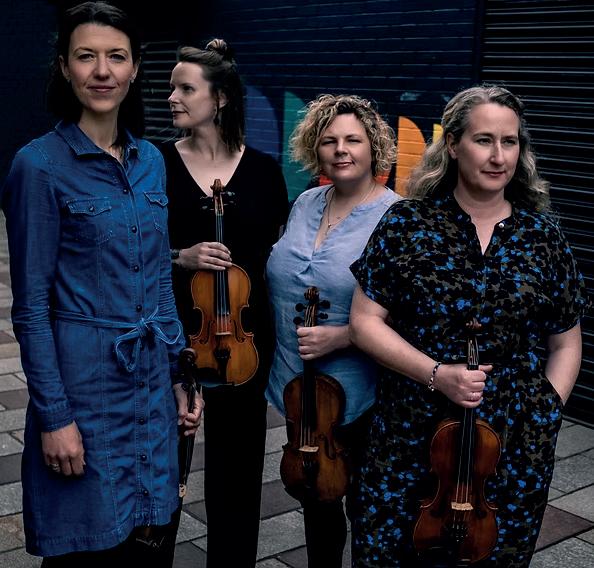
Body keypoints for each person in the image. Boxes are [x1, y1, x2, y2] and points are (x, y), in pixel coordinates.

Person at [348, 84, 588, 567]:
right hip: (409, 432)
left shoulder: (542, 236)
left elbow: (566, 342)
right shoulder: (407, 223)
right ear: (454, 145)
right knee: (390, 553)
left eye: (510, 142)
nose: (499, 156)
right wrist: (437, 374)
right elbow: (364, 322)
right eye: (484, 140)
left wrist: (545, 411)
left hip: (511, 446)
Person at [0, 2, 202, 565]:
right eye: (86, 56)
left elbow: (159, 280)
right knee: (85, 549)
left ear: (135, 68)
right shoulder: (38, 166)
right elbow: (31, 308)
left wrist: (179, 375)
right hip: (84, 386)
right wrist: (56, 417)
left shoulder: (151, 161)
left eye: (116, 56)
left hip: (149, 382)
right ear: (64, 67)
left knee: (150, 539)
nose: (102, 71)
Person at [161, 39, 289, 568]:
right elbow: (131, 251)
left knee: (237, 475)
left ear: (220, 98)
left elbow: (273, 259)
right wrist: (181, 256)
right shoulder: (154, 163)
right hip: (173, 335)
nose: (171, 97)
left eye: (185, 88)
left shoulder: (263, 171)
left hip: (243, 342)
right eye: (172, 86)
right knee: (163, 470)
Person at [265, 94, 400, 567]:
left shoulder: (397, 216)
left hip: (364, 388)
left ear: (374, 148)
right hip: (299, 387)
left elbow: (413, 313)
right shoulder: (305, 202)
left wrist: (344, 335)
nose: (341, 150)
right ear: (315, 149)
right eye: (329, 141)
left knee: (366, 505)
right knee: (316, 497)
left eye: (353, 140)